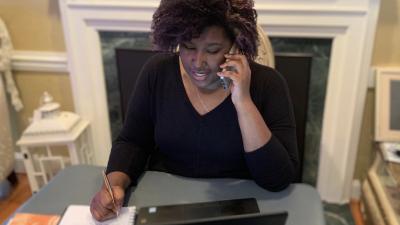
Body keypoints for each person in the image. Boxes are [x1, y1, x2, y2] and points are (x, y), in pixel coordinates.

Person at [90, 0, 299, 221]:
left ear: (235, 46)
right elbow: (133, 141)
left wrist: (243, 101)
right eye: (188, 47)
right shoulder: (157, 72)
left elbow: (277, 179)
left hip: (235, 212)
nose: (198, 62)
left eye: (213, 50)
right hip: (165, 206)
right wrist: (114, 186)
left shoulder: (268, 84)